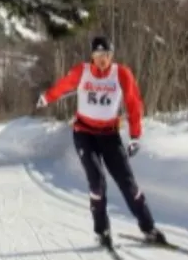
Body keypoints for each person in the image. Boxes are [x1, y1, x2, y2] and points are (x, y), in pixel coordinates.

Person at [35, 36, 167, 248]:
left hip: (109, 134)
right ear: (92, 56)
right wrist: (47, 97)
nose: (102, 60)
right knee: (97, 181)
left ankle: (148, 227)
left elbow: (134, 103)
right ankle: (102, 231)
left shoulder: (121, 73)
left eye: (105, 55)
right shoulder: (82, 71)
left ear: (111, 55)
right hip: (84, 134)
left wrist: (135, 136)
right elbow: (64, 85)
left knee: (127, 183)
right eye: (97, 55)